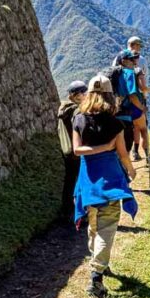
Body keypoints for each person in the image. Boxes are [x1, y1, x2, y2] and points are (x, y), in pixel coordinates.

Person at [72, 74, 138, 298]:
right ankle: (96, 278)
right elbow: (122, 153)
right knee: (107, 227)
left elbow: (77, 150)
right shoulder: (115, 124)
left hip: (88, 181)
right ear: (111, 96)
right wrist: (130, 169)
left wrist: (96, 149)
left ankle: (100, 262)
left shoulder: (78, 119)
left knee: (93, 224)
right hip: (109, 181)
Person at [57, 80, 87, 221]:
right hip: (77, 150)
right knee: (81, 181)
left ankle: (66, 210)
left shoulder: (64, 109)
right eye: (84, 92)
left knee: (70, 179)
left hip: (66, 150)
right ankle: (80, 212)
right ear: (78, 95)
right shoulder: (77, 111)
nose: (86, 95)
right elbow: (80, 131)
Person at [126, 35, 150, 164]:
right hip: (138, 99)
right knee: (143, 127)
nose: (139, 48)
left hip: (123, 101)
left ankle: (134, 152)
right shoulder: (140, 63)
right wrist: (149, 90)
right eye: (138, 45)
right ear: (133, 45)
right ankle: (147, 154)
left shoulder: (120, 59)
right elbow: (142, 86)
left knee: (133, 127)